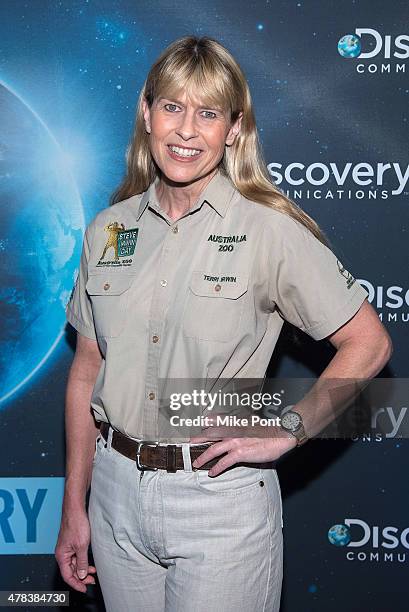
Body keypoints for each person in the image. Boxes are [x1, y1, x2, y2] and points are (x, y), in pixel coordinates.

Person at [55, 35, 392, 612]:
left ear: (234, 128)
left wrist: (291, 427)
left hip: (216, 502)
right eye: (172, 107)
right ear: (146, 112)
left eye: (208, 113)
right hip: (112, 497)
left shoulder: (269, 231)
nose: (186, 130)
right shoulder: (108, 230)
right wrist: (73, 505)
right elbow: (88, 367)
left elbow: (369, 342)